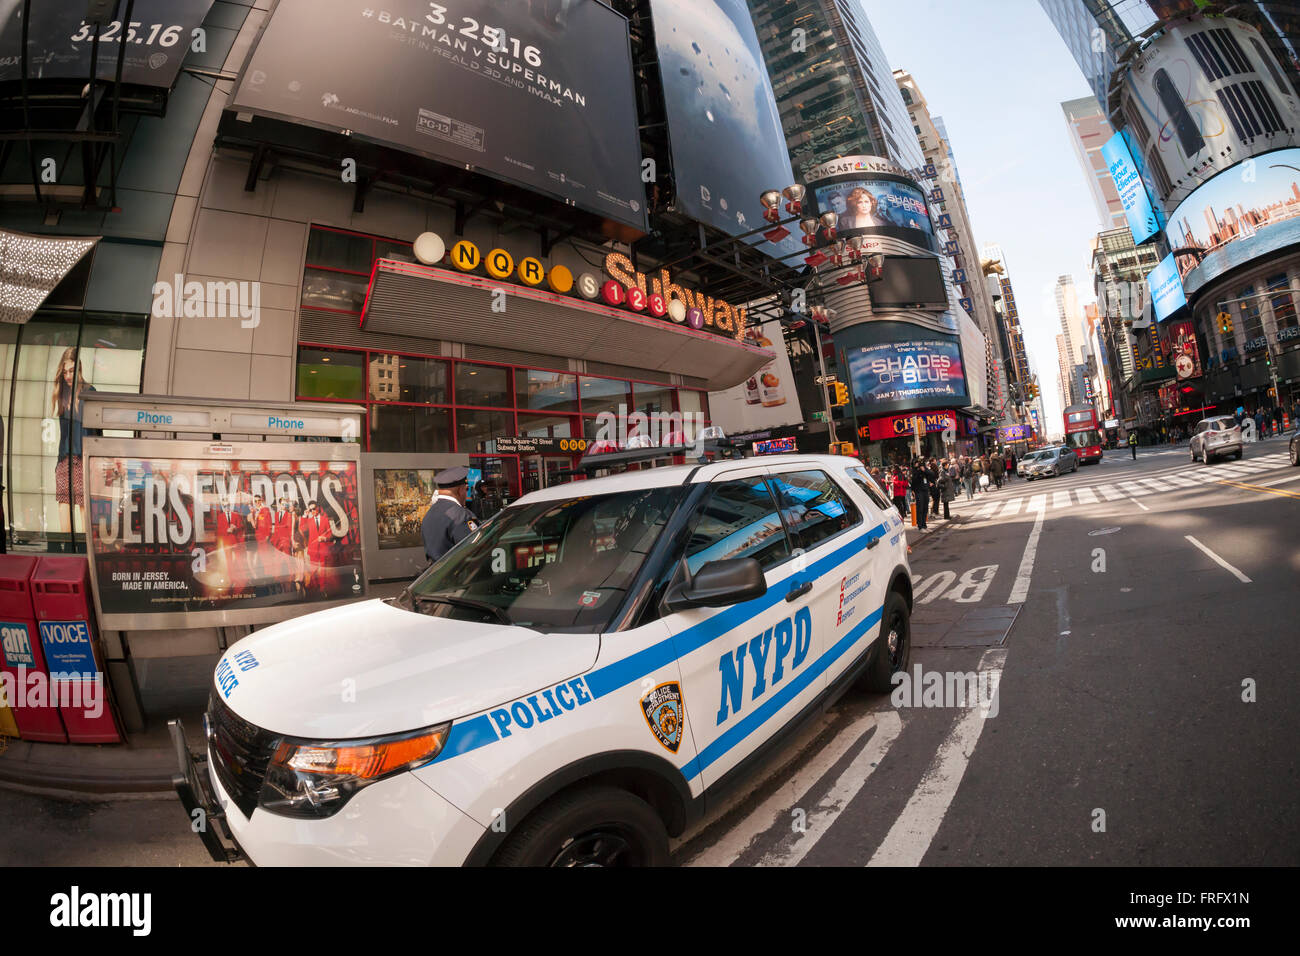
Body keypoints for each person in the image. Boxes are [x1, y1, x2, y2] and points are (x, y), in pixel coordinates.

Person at [50, 346, 97, 536]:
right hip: (66, 458)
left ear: (79, 369)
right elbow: (64, 434)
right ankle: (66, 550)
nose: (68, 376)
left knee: (83, 503)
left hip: (83, 457)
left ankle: (85, 552)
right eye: (65, 371)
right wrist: (59, 461)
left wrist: (92, 461)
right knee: (63, 503)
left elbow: (94, 430)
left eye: (71, 371)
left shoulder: (88, 391)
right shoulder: (62, 393)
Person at [422, 465, 480, 564]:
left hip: (436, 574)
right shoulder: (460, 516)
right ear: (460, 490)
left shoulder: (430, 513)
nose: (466, 494)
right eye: (466, 489)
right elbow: (475, 550)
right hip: (458, 575)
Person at [909, 460, 929, 532]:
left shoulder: (923, 470)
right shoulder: (913, 472)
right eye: (916, 463)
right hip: (918, 491)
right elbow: (914, 481)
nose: (918, 464)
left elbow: (930, 475)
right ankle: (920, 526)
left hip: (925, 490)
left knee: (925, 508)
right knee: (920, 508)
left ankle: (924, 525)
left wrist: (924, 470)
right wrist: (919, 471)